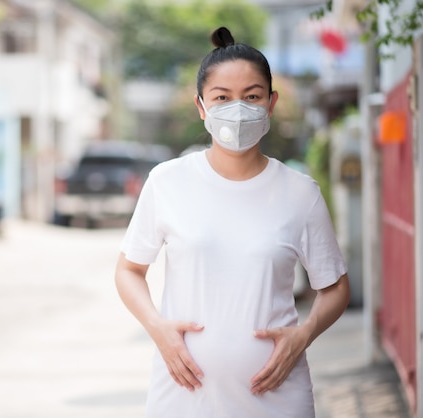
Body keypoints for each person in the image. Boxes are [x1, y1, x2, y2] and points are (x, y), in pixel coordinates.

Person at [114, 27, 350, 417]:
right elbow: (128, 269)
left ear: (270, 103)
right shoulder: (167, 181)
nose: (237, 108)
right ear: (201, 106)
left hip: (278, 395)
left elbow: (336, 285)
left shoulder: (299, 192)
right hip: (183, 393)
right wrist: (158, 329)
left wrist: (303, 336)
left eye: (252, 96)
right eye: (222, 97)